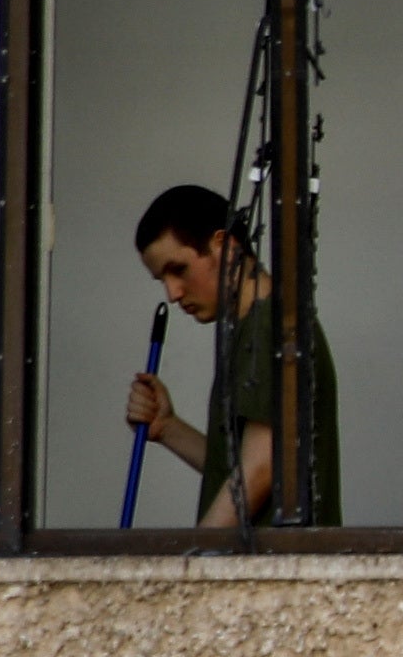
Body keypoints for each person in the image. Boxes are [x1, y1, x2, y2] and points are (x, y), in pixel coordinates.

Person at [127, 183, 342, 531]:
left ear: (225, 248)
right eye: (161, 279)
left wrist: (191, 568)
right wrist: (168, 428)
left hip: (275, 577)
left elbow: (261, 468)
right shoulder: (254, 326)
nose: (172, 293)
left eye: (178, 270)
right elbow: (242, 470)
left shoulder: (269, 326)